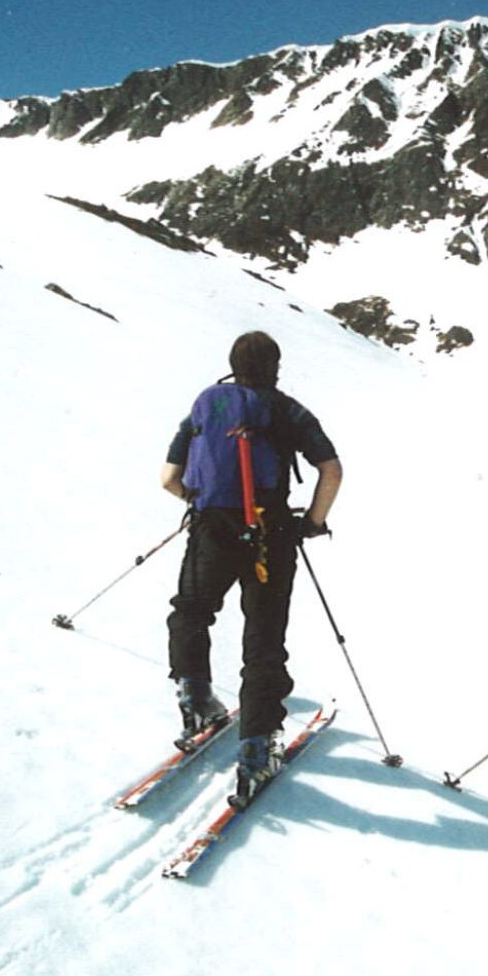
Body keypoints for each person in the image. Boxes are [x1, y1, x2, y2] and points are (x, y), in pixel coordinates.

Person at [160, 330, 342, 798]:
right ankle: (258, 748)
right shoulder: (288, 410)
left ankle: (196, 698)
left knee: (192, 610)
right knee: (263, 637)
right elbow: (331, 468)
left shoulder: (207, 406)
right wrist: (314, 522)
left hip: (211, 528)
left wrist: (199, 504)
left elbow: (168, 478)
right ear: (275, 365)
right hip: (270, 533)